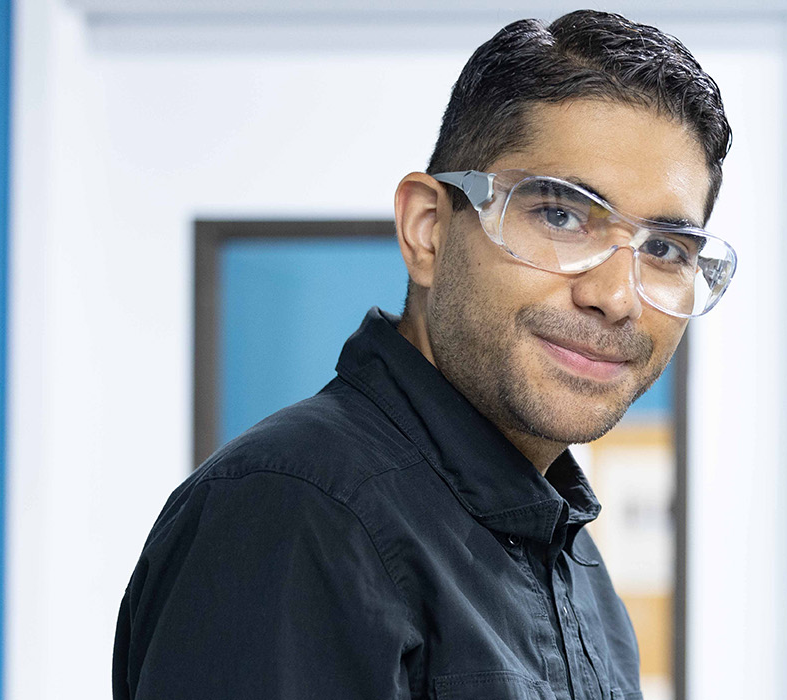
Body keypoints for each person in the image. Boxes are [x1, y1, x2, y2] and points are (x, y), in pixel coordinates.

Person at [112, 10, 735, 699]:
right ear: (429, 229)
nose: (617, 296)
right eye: (559, 215)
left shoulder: (574, 566)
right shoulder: (296, 514)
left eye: (665, 249)